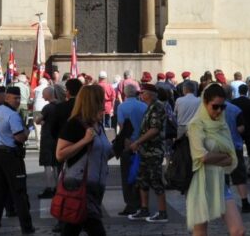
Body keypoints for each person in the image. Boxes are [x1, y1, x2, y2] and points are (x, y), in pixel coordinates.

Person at [54, 84, 114, 236]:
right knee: (95, 228)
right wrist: (84, 141)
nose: (104, 104)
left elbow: (102, 153)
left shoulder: (98, 125)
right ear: (92, 102)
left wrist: (120, 146)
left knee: (72, 227)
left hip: (95, 184)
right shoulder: (75, 124)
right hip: (79, 183)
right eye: (101, 100)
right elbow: (60, 154)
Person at [186, 83, 243, 236]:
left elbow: (232, 158)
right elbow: (202, 156)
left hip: (221, 182)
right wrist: (223, 157)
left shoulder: (222, 124)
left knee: (238, 231)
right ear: (205, 103)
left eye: (222, 107)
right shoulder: (196, 124)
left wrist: (219, 158)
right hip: (200, 183)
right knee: (200, 232)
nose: (219, 111)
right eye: (215, 106)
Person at [0, 86, 34, 234]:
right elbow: (19, 137)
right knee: (19, 192)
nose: (18, 101)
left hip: (0, 153)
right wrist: (27, 130)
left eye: (19, 98)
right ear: (7, 98)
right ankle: (27, 228)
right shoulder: (12, 115)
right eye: (15, 98)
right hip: (11, 156)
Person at [127, 83, 170, 223]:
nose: (140, 95)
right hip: (145, 150)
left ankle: (162, 212)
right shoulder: (149, 107)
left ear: (150, 94)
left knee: (156, 180)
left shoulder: (157, 107)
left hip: (154, 150)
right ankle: (144, 209)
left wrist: (138, 142)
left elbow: (155, 129)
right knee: (142, 179)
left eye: (143, 92)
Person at [113, 84, 146, 216]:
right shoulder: (143, 106)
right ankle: (141, 202)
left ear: (125, 94)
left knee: (127, 174)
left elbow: (122, 126)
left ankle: (130, 203)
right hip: (142, 142)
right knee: (140, 173)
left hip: (128, 144)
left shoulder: (122, 107)